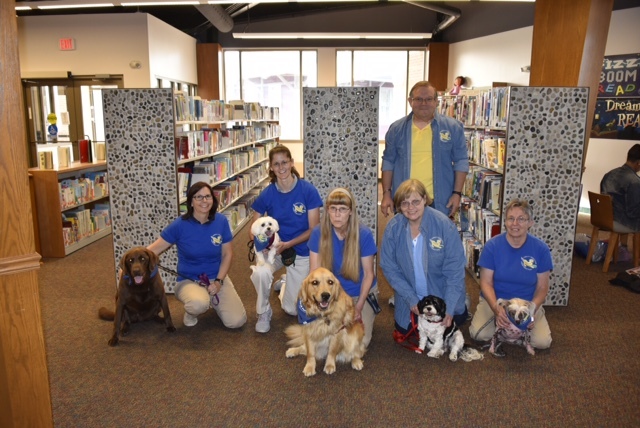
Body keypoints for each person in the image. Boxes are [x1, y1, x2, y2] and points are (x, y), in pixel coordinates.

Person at [147, 181, 247, 328]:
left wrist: (219, 281)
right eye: (198, 197)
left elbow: (227, 254)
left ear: (213, 200)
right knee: (198, 304)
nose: (204, 201)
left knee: (237, 322)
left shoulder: (221, 221)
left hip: (217, 278)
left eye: (207, 196)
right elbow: (151, 250)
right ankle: (192, 312)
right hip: (189, 280)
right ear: (191, 202)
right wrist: (127, 266)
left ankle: (211, 298)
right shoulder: (180, 225)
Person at [249, 145, 323, 333]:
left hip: (300, 250)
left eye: (284, 162)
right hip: (274, 249)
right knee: (260, 273)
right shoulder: (268, 193)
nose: (281, 167)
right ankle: (263, 311)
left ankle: (284, 283)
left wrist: (288, 244)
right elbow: (253, 227)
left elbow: (314, 229)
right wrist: (261, 244)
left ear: (291, 163)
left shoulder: (308, 190)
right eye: (276, 164)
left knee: (291, 309)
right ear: (271, 168)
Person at [380, 179, 468, 336]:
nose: (411, 208)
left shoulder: (444, 225)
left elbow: (455, 271)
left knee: (444, 330)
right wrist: (410, 298)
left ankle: (460, 302)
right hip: (411, 300)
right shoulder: (393, 228)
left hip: (441, 299)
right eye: (405, 203)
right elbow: (388, 267)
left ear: (425, 200)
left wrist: (448, 308)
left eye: (415, 201)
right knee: (407, 331)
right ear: (399, 206)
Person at [469, 198, 553, 349]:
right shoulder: (492, 246)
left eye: (521, 219)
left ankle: (511, 333)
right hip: (497, 300)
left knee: (542, 343)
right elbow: (485, 283)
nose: (515, 224)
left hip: (526, 304)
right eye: (511, 219)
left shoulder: (541, 249)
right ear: (505, 222)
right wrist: (496, 309)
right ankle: (514, 333)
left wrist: (531, 311)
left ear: (530, 223)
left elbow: (542, 288)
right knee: (478, 335)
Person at [381, 80, 469, 219]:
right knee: (405, 239)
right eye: (418, 99)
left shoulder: (452, 128)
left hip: (440, 201)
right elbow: (388, 162)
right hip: (406, 200)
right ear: (410, 101)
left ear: (436, 101)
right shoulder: (396, 129)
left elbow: (461, 161)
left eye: (428, 99)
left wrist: (457, 193)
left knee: (437, 240)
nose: (424, 103)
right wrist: (386, 193)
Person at [308, 187, 378, 347]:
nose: (337, 214)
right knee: (323, 341)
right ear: (327, 211)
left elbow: (369, 275)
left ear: (351, 211)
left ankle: (367, 311)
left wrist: (358, 307)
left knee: (359, 343)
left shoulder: (364, 234)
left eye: (342, 209)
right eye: (333, 209)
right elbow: (314, 272)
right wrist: (322, 303)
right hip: (332, 295)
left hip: (360, 293)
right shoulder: (318, 233)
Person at [600, 144, 640, 233]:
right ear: (638, 163)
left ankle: (624, 246)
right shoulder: (635, 181)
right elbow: (632, 212)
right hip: (621, 222)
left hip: (603, 218)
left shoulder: (609, 174)